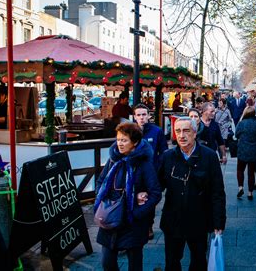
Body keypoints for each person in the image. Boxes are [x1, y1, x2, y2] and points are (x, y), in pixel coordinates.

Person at [158, 117, 226, 270]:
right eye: (178, 131)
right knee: (171, 261)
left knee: (198, 260)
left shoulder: (209, 156)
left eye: (186, 131)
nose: (181, 135)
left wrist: (218, 221)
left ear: (195, 133)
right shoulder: (168, 156)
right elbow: (157, 185)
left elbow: (217, 191)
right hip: (173, 219)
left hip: (199, 220)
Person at [95, 122, 162, 271]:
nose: (120, 143)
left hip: (132, 224)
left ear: (135, 142)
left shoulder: (144, 164)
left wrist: (137, 213)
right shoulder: (113, 159)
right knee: (107, 262)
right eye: (118, 139)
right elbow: (100, 181)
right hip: (111, 219)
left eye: (124, 140)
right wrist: (101, 201)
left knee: (134, 264)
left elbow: (155, 193)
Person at [133, 104, 168, 240]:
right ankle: (136, 224)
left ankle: (149, 225)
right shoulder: (131, 131)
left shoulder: (156, 131)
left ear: (148, 116)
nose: (141, 117)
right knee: (134, 196)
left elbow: (163, 151)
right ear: (135, 117)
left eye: (144, 114)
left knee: (149, 199)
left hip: (151, 173)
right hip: (134, 172)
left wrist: (159, 168)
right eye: (139, 115)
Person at [235, 106, 256, 200]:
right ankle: (250, 192)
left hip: (242, 148)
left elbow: (236, 134)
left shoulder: (242, 123)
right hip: (254, 149)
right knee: (251, 172)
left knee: (240, 169)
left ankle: (240, 187)